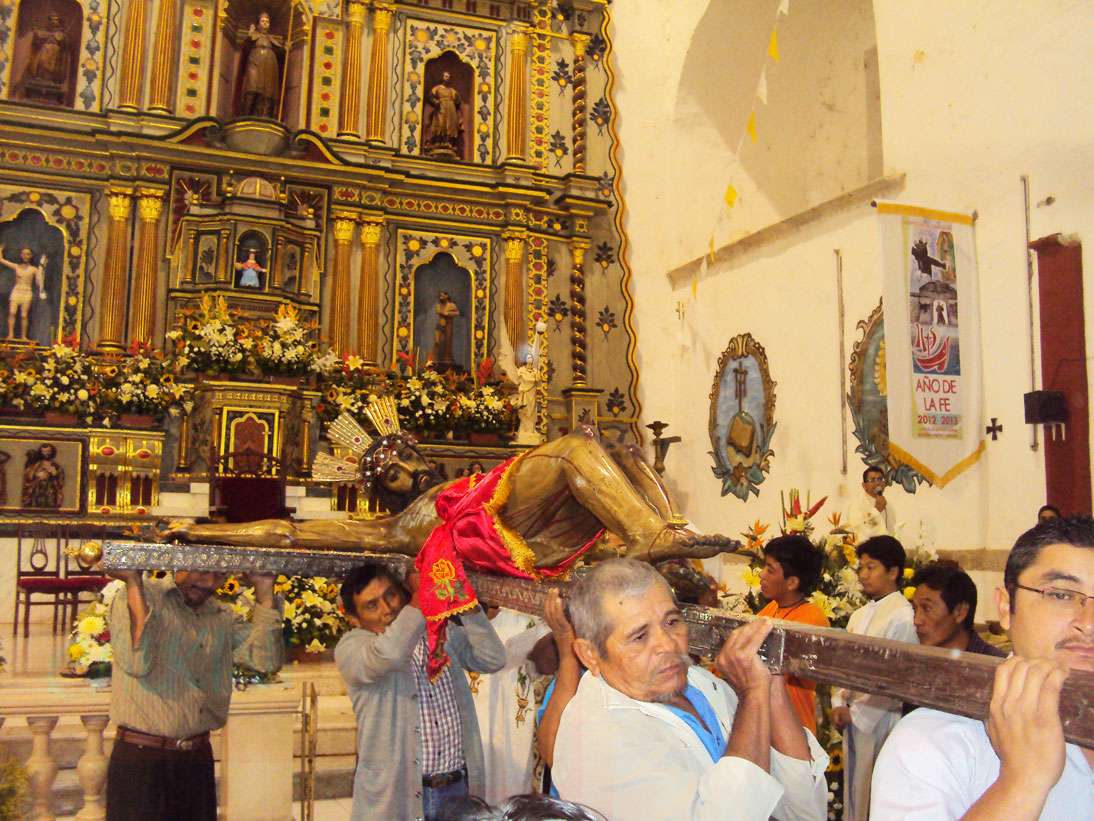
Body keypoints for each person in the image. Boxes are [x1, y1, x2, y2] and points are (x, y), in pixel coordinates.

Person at [166, 405, 740, 677]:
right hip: (493, 525)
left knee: (608, 453)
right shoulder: (393, 528)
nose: (410, 471)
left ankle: (657, 541)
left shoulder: (450, 486)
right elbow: (289, 532)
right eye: (393, 474)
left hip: (504, 514)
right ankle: (647, 534)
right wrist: (202, 531)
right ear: (382, 494)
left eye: (409, 457)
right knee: (572, 450)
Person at [551, 559, 828, 821]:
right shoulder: (594, 738)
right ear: (590, 655)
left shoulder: (699, 683)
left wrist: (771, 684)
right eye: (640, 636)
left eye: (671, 622)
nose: (668, 645)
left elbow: (804, 809)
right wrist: (753, 694)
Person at [872, 515, 1094, 819]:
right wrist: (1023, 781)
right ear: (1005, 607)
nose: (1088, 623)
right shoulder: (933, 741)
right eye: (1060, 595)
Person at [105, 568, 283, 820]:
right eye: (202, 571)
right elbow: (136, 662)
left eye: (219, 575)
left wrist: (265, 590)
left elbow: (266, 661)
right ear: (181, 562)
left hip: (196, 761)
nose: (209, 582)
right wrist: (133, 581)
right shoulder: (143, 596)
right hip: (141, 761)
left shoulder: (221, 615)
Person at [334, 561, 506, 821]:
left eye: (390, 595)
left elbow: (492, 659)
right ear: (354, 619)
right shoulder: (352, 647)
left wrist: (467, 604)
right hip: (397, 797)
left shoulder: (440, 631)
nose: (387, 608)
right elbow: (390, 654)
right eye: (372, 605)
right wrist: (421, 597)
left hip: (458, 791)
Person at [830, 535, 917, 821]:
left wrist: (857, 713)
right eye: (861, 568)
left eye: (871, 567)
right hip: (852, 716)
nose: (864, 575)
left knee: (876, 792)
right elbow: (842, 664)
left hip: (881, 719)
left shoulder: (903, 616)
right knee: (855, 792)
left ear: (893, 572)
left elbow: (895, 677)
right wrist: (838, 702)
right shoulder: (859, 615)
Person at [467, 606, 549, 804]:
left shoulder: (528, 605)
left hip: (513, 709)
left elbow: (545, 665)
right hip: (472, 703)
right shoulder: (460, 602)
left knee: (512, 781)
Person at [757, 535, 831, 733]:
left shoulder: (811, 620)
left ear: (792, 583)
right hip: (764, 720)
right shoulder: (772, 608)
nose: (761, 574)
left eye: (770, 569)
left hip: (793, 726)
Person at [909, 562, 1006, 656]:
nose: (916, 621)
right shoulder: (914, 661)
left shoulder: (995, 663)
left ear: (960, 612)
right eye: (915, 609)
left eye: (926, 608)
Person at [240, 12, 283, 118]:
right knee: (253, 88)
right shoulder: (254, 36)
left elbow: (281, 52)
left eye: (267, 22)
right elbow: (245, 47)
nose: (265, 23)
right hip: (255, 62)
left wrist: (286, 47)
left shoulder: (271, 39)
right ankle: (247, 114)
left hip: (269, 65)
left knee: (268, 91)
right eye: (262, 21)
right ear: (258, 24)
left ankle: (266, 116)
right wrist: (250, 35)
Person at [0, 245, 47, 340]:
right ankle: (10, 334)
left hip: (27, 293)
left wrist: (40, 277)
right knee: (12, 313)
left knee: (24, 315)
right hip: (16, 291)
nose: (25, 256)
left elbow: (38, 283)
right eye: (24, 254)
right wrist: (0, 250)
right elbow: (1, 260)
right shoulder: (17, 266)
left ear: (31, 256)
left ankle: (23, 336)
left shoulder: (34, 269)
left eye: (27, 254)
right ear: (21, 255)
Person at [845, 466, 894, 540]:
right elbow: (857, 532)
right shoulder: (857, 505)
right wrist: (876, 511)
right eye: (872, 480)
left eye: (880, 479)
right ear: (864, 485)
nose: (877, 483)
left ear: (884, 484)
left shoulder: (888, 505)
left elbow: (891, 531)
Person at [426, 71, 463, 155]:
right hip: (441, 108)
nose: (448, 78)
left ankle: (449, 143)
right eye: (446, 76)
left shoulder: (452, 91)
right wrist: (435, 101)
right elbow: (430, 97)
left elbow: (458, 101)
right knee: (440, 124)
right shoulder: (437, 88)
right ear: (442, 77)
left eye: (449, 77)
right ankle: (438, 143)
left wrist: (457, 101)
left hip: (451, 110)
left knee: (450, 126)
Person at [21, 443, 63, 508]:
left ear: (52, 452)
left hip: (51, 493)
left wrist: (55, 474)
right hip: (37, 492)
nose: (46, 453)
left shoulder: (56, 466)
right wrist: (36, 475)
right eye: (44, 451)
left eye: (48, 451)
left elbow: (60, 481)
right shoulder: (35, 465)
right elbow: (27, 476)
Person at [433, 290, 461, 366]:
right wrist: (445, 313)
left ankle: (448, 357)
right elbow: (438, 311)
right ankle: (435, 359)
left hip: (448, 325)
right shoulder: (439, 305)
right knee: (437, 342)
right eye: (440, 296)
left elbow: (457, 312)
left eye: (442, 296)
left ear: (446, 296)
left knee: (448, 342)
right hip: (440, 324)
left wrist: (449, 313)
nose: (441, 297)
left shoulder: (451, 305)